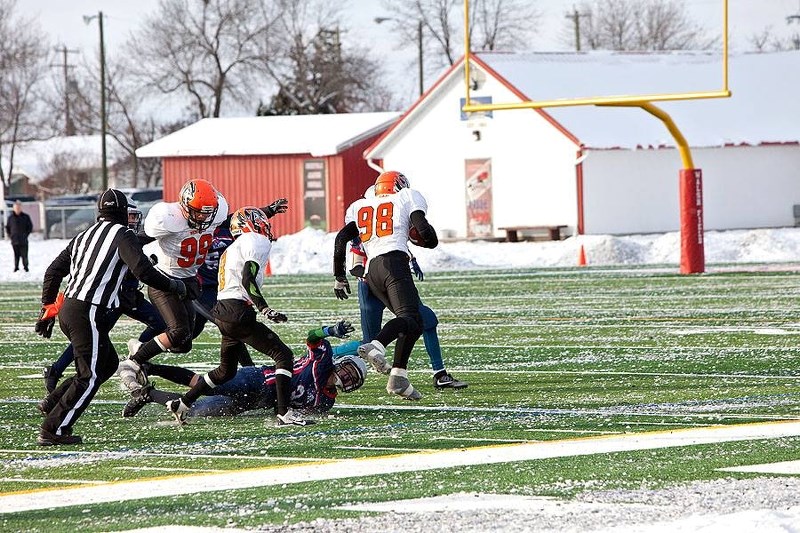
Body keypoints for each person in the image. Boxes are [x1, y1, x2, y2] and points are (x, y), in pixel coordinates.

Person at [34, 189, 186, 446]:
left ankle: (55, 404)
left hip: (73, 308)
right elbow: (143, 270)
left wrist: (48, 306)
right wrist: (174, 286)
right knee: (90, 375)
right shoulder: (122, 234)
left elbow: (53, 271)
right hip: (89, 310)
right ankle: (53, 429)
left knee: (106, 365)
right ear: (121, 212)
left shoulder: (85, 235)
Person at [157, 206, 310, 426]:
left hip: (222, 311)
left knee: (224, 372)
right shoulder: (255, 240)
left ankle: (183, 403)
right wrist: (264, 307)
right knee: (283, 355)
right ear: (252, 222)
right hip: (238, 310)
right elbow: (249, 275)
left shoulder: (233, 246)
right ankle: (284, 413)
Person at [332, 170, 438, 401]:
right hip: (394, 264)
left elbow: (341, 238)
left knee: (414, 323)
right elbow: (424, 231)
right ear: (399, 186)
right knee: (410, 317)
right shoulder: (407, 196)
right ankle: (376, 345)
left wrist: (339, 276)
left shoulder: (359, 206)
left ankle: (399, 377)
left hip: (373, 273)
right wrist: (429, 240)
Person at [40, 204, 167, 396]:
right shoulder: (120, 235)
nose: (132, 220)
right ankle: (56, 371)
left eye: (134, 216)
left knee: (158, 324)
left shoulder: (125, 235)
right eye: (129, 216)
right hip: (112, 298)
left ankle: (136, 356)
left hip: (127, 296)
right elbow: (134, 263)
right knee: (91, 338)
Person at [121, 321, 365, 419]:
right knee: (200, 385)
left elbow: (304, 411)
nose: (346, 377)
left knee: (196, 412)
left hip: (256, 402)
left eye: (352, 379)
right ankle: (150, 366)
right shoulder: (322, 362)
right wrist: (329, 331)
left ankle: (147, 394)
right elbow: (312, 337)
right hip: (257, 381)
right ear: (341, 364)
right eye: (348, 371)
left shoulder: (326, 402)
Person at [118, 178, 229, 386]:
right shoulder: (168, 219)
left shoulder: (216, 214)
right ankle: (132, 363)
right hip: (164, 281)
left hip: (187, 281)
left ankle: (141, 348)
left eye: (208, 212)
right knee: (178, 332)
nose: (204, 216)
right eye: (199, 212)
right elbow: (136, 242)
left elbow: (229, 219)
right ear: (185, 206)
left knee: (183, 344)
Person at [335, 238, 467, 390]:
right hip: (371, 288)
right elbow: (354, 266)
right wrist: (373, 273)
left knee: (428, 321)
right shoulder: (363, 234)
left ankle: (440, 373)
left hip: (394, 281)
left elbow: (396, 243)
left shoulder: (389, 228)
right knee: (369, 341)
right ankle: (328, 354)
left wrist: (411, 258)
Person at [6, 200, 33, 272]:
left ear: (21, 208)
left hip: (23, 240)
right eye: (16, 208)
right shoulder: (11, 218)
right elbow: (8, 227)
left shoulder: (26, 217)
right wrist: (10, 235)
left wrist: (25, 235)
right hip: (14, 240)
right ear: (14, 208)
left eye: (19, 208)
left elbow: (30, 227)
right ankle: (16, 267)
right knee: (16, 255)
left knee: (24, 255)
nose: (17, 209)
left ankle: (26, 268)